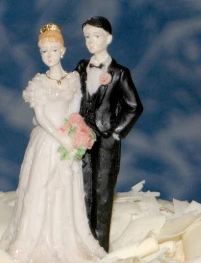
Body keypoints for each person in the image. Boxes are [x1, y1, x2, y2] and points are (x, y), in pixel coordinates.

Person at [0, 23, 106, 263]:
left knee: (66, 188)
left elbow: (74, 110)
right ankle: (32, 239)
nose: (49, 56)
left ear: (63, 51)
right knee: (41, 186)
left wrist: (75, 132)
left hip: (67, 140)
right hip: (47, 143)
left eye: (53, 51)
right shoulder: (38, 83)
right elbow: (41, 117)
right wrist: (61, 137)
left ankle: (67, 238)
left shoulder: (72, 79)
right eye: (44, 52)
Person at [75, 16, 143, 251]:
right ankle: (82, 241)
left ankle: (100, 247)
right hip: (81, 138)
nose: (91, 41)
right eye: (87, 37)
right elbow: (73, 96)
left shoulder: (120, 73)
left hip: (105, 141)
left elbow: (134, 106)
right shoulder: (82, 67)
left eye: (97, 36)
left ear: (109, 38)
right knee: (81, 189)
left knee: (102, 192)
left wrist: (115, 133)